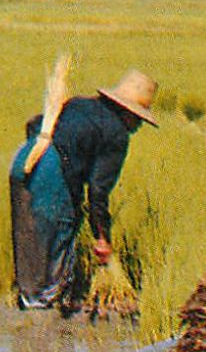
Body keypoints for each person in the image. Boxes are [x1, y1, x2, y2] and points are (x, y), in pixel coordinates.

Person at [9, 70, 157, 310]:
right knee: (56, 247)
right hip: (50, 173)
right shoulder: (117, 134)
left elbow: (34, 124)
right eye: (138, 119)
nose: (137, 126)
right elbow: (98, 191)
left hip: (25, 159)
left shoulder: (78, 104)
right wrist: (102, 238)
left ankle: (29, 304)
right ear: (127, 112)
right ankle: (44, 323)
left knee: (30, 241)